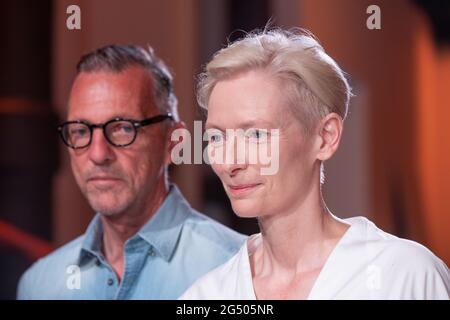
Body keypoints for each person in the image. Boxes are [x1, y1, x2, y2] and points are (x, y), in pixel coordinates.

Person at [180, 29, 450, 299]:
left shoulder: (404, 276)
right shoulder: (206, 296)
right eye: (216, 137)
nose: (229, 162)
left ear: (325, 137)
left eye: (256, 135)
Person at [17, 45, 245, 299]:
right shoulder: (40, 285)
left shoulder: (238, 268)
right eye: (81, 131)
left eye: (123, 128)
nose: (98, 154)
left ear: (173, 142)